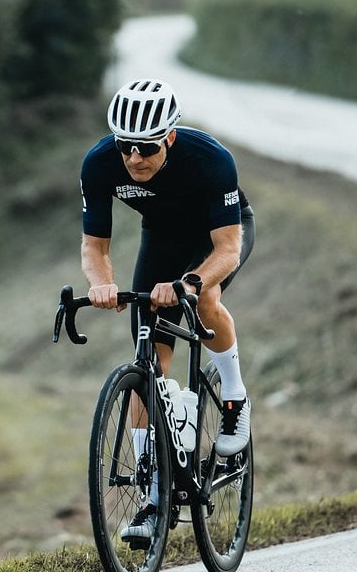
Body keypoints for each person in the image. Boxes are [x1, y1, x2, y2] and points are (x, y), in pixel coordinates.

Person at [80, 78, 255, 543]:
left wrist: (189, 284)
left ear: (170, 138)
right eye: (125, 146)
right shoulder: (100, 164)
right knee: (147, 361)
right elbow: (93, 246)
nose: (134, 158)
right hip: (162, 240)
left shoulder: (210, 160)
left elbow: (228, 249)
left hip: (217, 238)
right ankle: (154, 492)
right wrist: (102, 286)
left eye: (145, 147)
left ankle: (235, 398)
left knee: (206, 299)